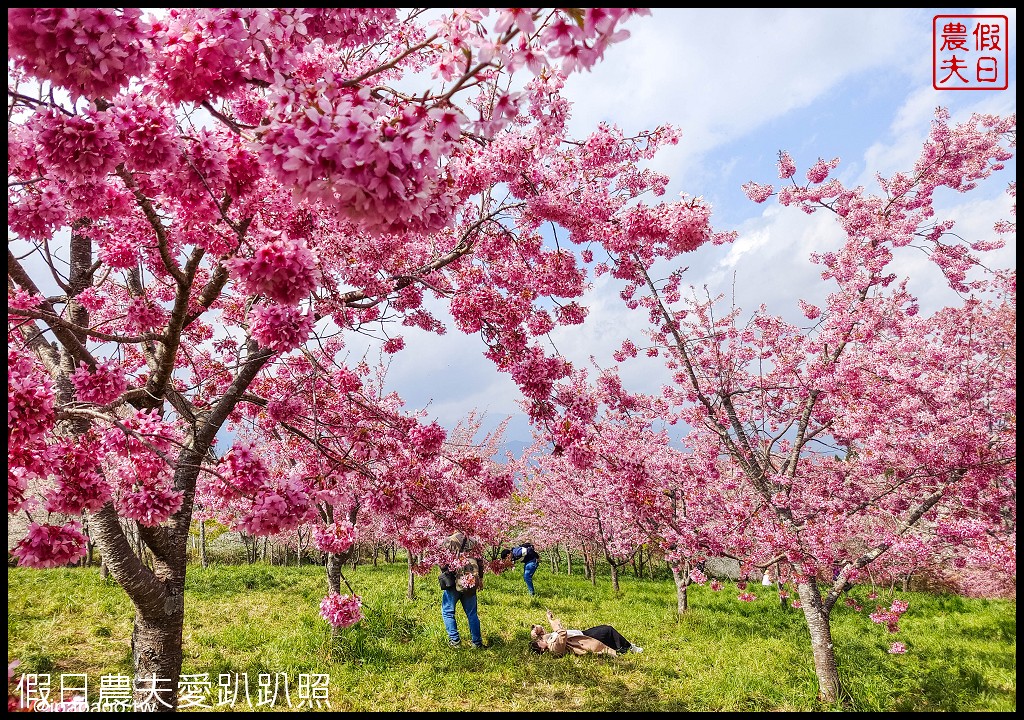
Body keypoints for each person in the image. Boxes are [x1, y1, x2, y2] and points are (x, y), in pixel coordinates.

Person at [528, 609, 643, 657]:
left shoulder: (547, 640)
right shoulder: (554, 648)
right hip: (584, 639)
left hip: (582, 633)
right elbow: (562, 634)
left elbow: (541, 631)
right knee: (607, 630)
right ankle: (629, 648)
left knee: (606, 634)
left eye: (538, 640)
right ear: (542, 650)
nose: (539, 640)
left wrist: (543, 623)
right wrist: (554, 625)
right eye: (538, 643)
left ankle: (622, 647)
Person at [440, 530, 486, 649]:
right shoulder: (474, 541)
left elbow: (442, 562)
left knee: (448, 611)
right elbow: (480, 562)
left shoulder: (448, 540)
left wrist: (447, 574)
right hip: (470, 581)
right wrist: (480, 579)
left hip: (453, 582)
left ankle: (455, 641)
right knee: (472, 613)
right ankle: (477, 643)